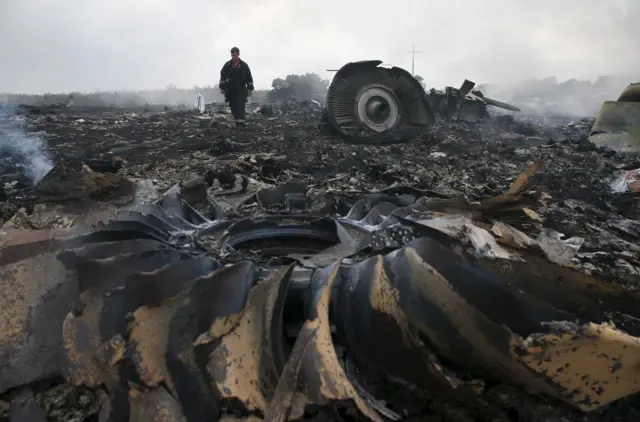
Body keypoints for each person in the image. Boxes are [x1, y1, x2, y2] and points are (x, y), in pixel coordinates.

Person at [219, 47, 254, 127]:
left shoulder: (244, 66)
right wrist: (222, 87)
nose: (233, 57)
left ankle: (241, 123)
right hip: (231, 90)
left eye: (235, 55)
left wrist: (250, 88)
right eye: (232, 56)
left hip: (241, 89)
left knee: (240, 105)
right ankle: (237, 121)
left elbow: (249, 77)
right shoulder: (227, 65)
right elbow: (222, 77)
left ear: (238, 54)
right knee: (233, 106)